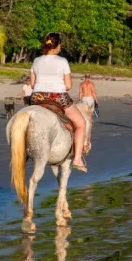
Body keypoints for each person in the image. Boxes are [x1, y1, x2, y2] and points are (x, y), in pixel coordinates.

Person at [30, 33, 88, 172]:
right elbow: (68, 86)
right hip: (58, 97)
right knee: (81, 124)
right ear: (58, 45)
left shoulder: (36, 60)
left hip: (37, 97)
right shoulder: (62, 61)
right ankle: (78, 159)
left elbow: (32, 84)